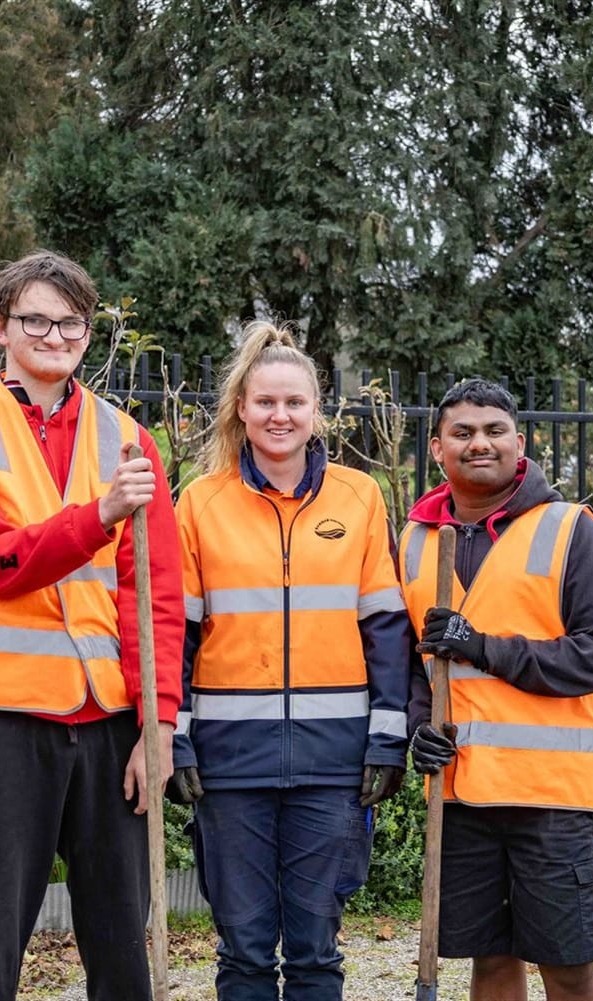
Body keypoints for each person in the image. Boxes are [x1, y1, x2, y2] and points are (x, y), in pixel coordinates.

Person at [0, 250, 183, 1001]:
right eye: (35, 318)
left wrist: (157, 727)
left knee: (125, 951)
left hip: (108, 728)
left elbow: (152, 593)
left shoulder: (127, 437)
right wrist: (98, 516)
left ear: (89, 334)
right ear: (0, 325)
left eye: (71, 322)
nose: (54, 335)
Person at [168, 322, 413, 1000]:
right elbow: (176, 635)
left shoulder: (359, 497)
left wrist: (387, 738)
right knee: (243, 949)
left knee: (313, 949)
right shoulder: (200, 502)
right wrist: (175, 738)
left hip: (333, 764)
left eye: (294, 403)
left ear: (316, 411)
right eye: (266, 402)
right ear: (241, 410)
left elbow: (387, 628)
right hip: (228, 763)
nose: (280, 415)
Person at [400, 378, 593, 1001]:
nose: (480, 443)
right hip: (462, 791)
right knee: (490, 960)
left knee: (567, 965)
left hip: (548, 795)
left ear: (519, 443)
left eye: (494, 430)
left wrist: (483, 646)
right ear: (437, 448)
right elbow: (417, 663)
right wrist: (419, 726)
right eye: (463, 432)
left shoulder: (570, 530)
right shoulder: (414, 541)